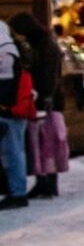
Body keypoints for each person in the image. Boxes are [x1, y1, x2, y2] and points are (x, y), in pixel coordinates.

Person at [10, 12, 64, 197]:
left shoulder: (45, 46)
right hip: (44, 100)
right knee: (43, 143)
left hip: (46, 102)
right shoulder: (42, 44)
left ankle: (47, 182)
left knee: (46, 142)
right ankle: (45, 181)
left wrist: (44, 97)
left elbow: (49, 75)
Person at [0, 22, 28, 210]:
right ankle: (15, 190)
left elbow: (6, 83)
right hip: (11, 110)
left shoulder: (5, 52)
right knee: (13, 151)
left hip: (9, 111)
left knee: (12, 152)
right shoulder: (13, 49)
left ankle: (17, 192)